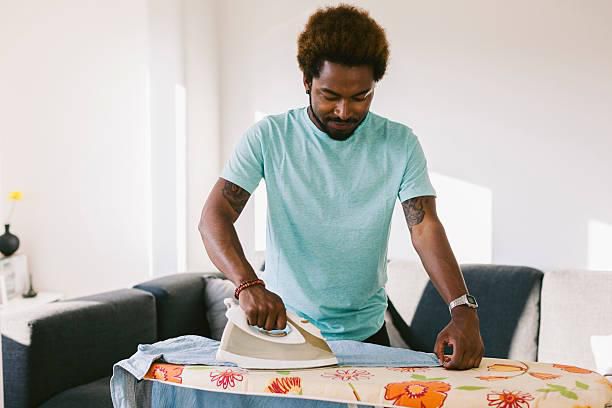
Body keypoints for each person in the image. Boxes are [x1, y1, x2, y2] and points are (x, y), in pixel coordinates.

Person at [199, 4, 484, 370]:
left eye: (360, 96)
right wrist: (247, 284)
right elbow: (214, 217)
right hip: (286, 331)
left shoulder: (399, 144)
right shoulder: (270, 137)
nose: (345, 111)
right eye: (330, 96)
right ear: (306, 81)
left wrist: (462, 309)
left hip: (367, 336)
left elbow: (425, 226)